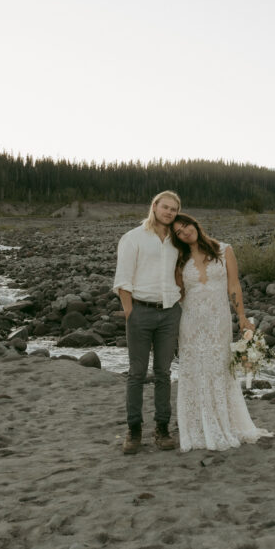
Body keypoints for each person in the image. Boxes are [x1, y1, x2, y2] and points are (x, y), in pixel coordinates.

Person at [169, 213, 272, 452]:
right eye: (178, 232)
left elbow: (233, 285)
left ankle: (224, 422)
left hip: (219, 321)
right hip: (191, 322)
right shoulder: (180, 260)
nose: (184, 232)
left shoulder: (224, 250)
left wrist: (242, 316)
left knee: (218, 368)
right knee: (194, 369)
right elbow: (179, 294)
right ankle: (196, 426)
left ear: (194, 223)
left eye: (185, 226)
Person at [112, 190, 182, 454]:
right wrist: (130, 312)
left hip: (169, 313)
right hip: (140, 312)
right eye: (165, 207)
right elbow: (123, 280)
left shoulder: (177, 240)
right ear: (154, 206)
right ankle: (134, 430)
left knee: (164, 373)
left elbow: (181, 273)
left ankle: (162, 429)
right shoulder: (133, 238)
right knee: (136, 373)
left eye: (174, 209)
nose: (169, 213)